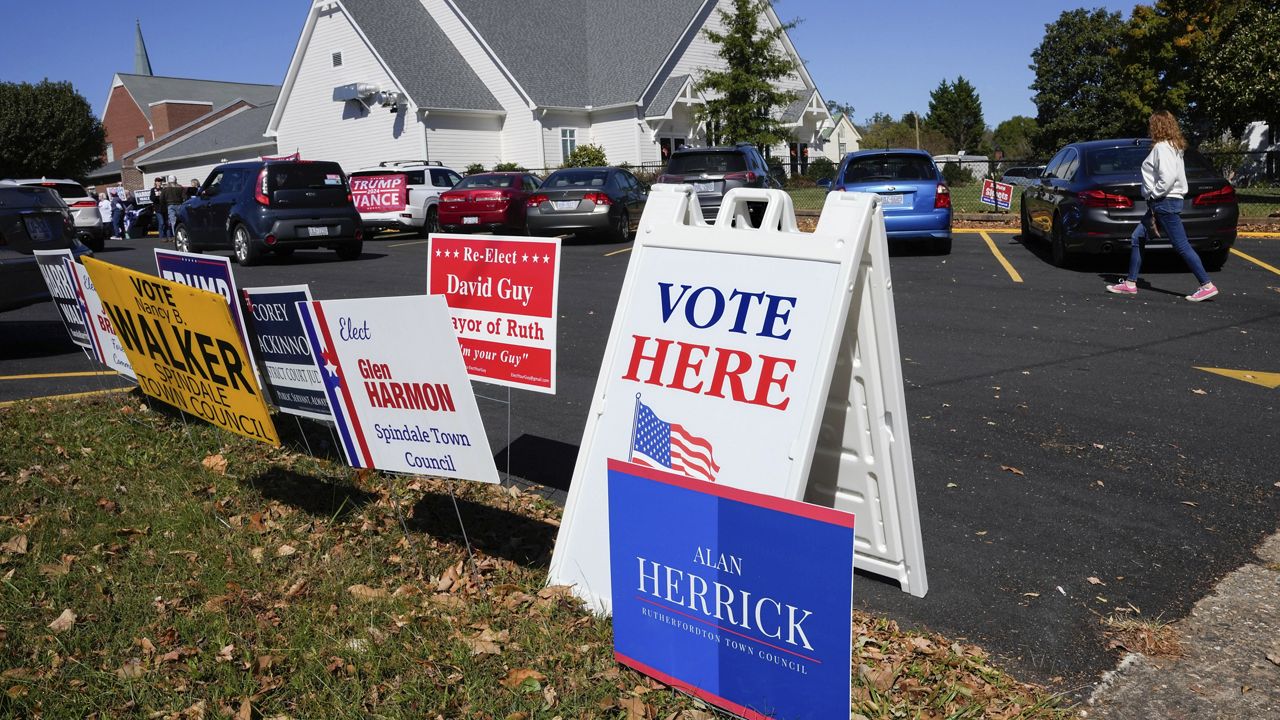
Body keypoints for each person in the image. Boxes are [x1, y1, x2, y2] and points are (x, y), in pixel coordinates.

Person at [1106, 111, 1218, 302]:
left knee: (1181, 245)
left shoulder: (1161, 148)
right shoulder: (1174, 147)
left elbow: (1167, 178)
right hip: (1166, 201)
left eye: (1151, 125)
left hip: (1163, 202)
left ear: (1157, 126)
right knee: (1138, 237)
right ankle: (1130, 283)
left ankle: (1206, 285)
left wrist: (1154, 194)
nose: (1149, 128)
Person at [162, 175, 187, 239]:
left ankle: (176, 236)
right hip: (179, 205)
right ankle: (183, 234)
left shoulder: (165, 188)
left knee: (173, 221)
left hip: (170, 205)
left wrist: (164, 204)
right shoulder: (180, 187)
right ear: (175, 180)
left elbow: (161, 198)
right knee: (181, 220)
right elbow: (184, 197)